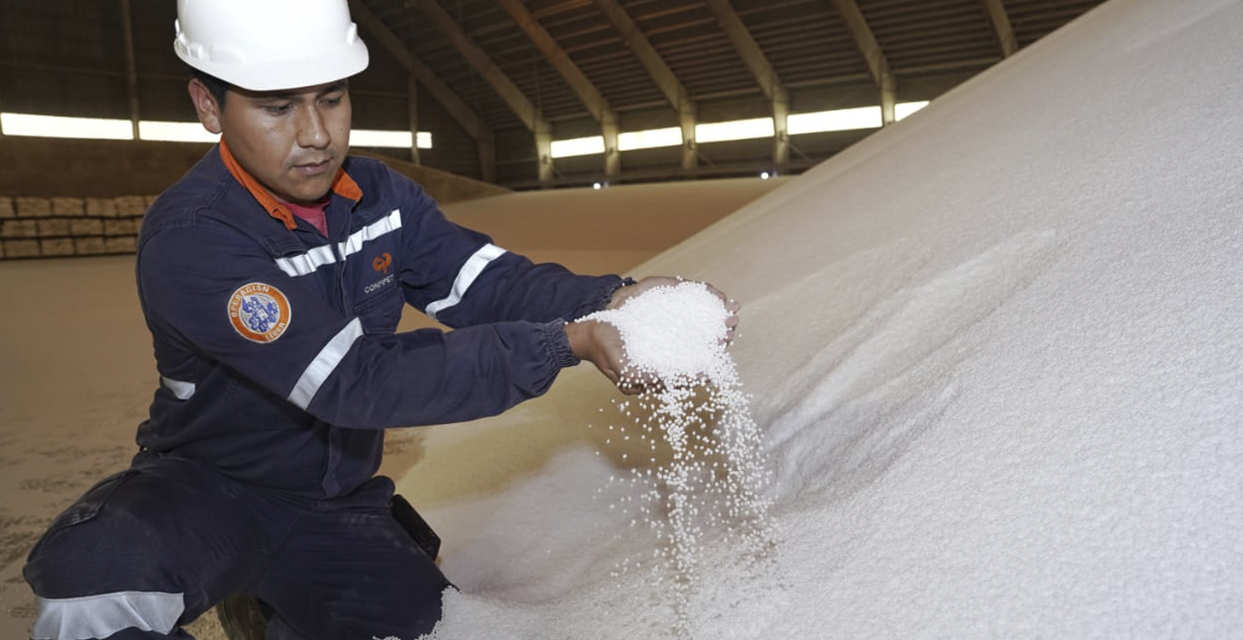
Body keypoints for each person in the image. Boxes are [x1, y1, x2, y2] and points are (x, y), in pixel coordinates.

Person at [21, 0, 737, 638]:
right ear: (210, 106)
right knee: (95, 577)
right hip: (209, 488)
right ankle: (243, 582)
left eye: (331, 99)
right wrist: (567, 343)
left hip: (333, 503)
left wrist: (616, 300)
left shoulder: (380, 196)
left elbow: (485, 282)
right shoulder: (194, 237)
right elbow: (353, 383)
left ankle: (266, 606)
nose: (314, 134)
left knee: (431, 625)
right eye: (276, 107)